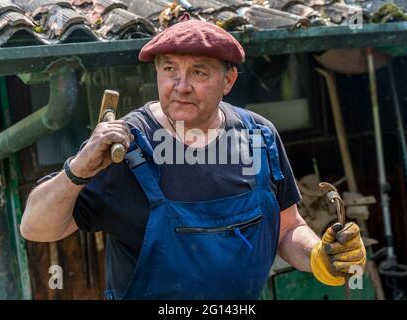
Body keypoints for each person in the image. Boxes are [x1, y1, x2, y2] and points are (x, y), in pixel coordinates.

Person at [21, 19, 366, 300]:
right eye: (170, 69)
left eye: (199, 72)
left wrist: (319, 258)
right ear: (156, 73)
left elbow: (287, 229)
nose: (181, 85)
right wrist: (78, 169)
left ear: (228, 80)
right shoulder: (121, 146)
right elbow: (35, 228)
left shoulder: (258, 137)